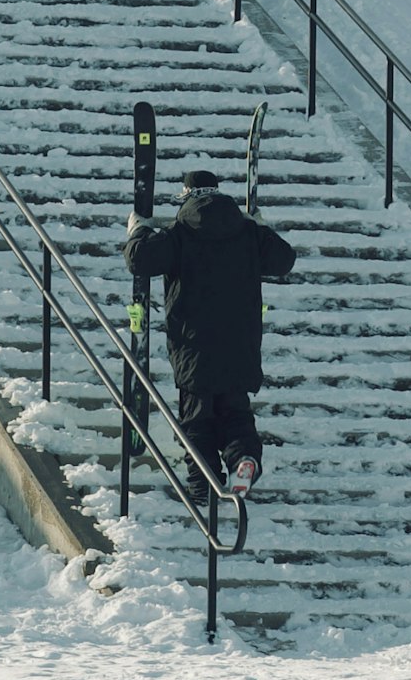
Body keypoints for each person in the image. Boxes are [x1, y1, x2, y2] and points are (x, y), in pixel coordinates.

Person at [123, 167, 296, 503]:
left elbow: (140, 260)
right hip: (240, 345)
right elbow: (284, 260)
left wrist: (138, 232)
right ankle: (243, 458)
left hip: (194, 345)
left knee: (197, 418)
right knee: (235, 413)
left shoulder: (179, 232)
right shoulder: (247, 231)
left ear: (186, 195)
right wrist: (262, 228)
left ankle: (203, 488)